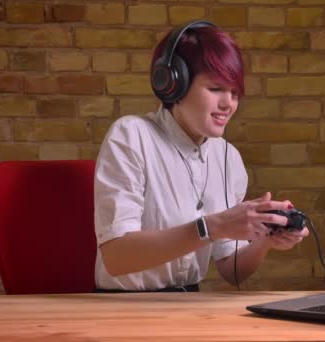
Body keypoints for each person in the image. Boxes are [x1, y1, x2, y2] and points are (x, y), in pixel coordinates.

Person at [93, 20, 310, 292]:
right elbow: (117, 257)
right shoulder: (131, 136)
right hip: (122, 308)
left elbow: (232, 271)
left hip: (188, 306)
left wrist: (266, 238)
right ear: (174, 84)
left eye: (234, 92)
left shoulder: (228, 157)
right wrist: (213, 227)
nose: (228, 103)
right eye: (216, 88)